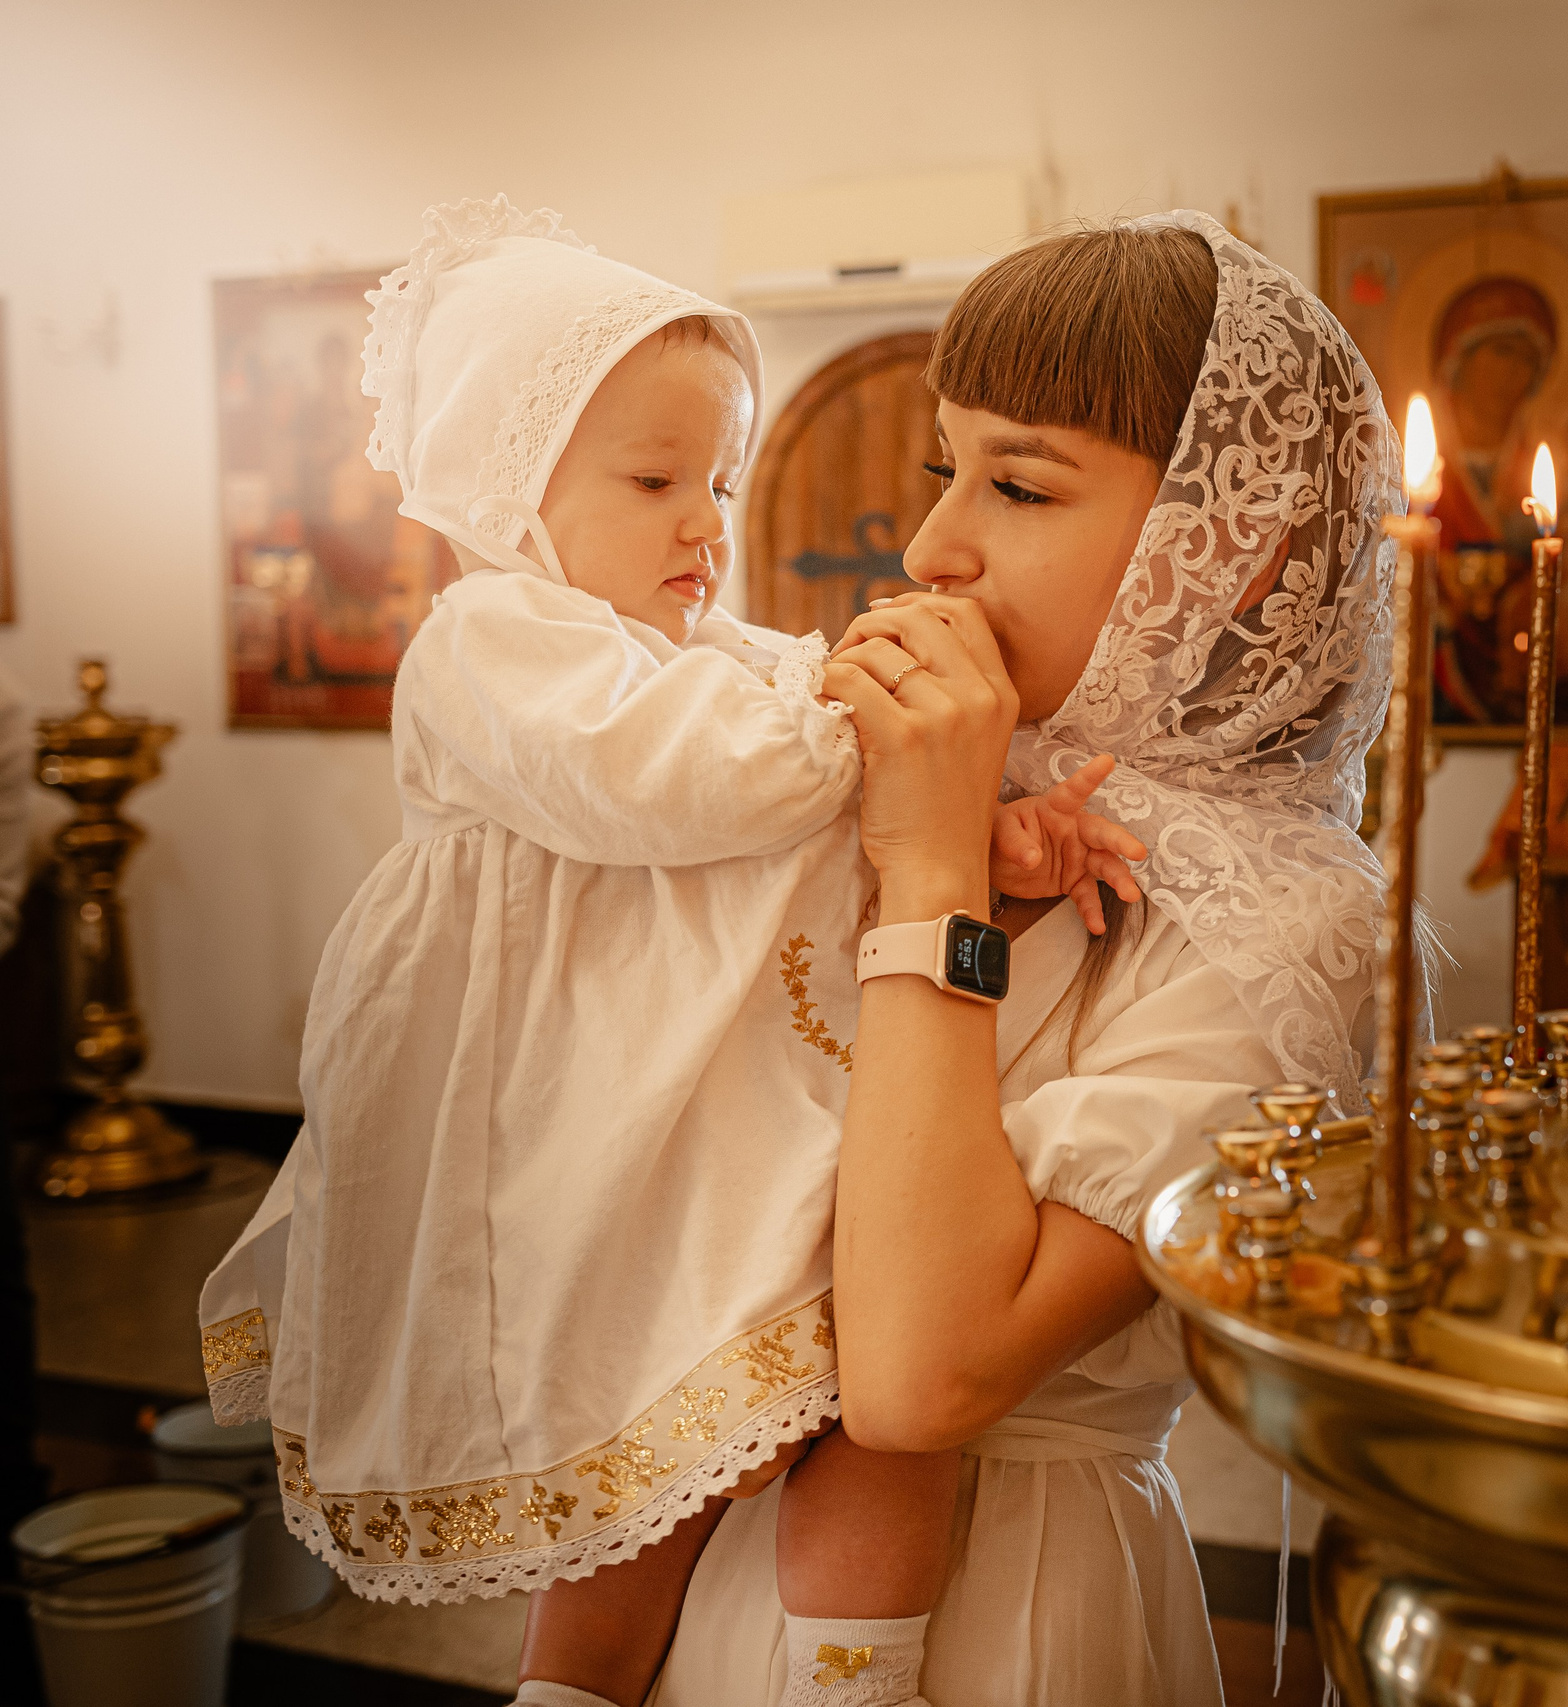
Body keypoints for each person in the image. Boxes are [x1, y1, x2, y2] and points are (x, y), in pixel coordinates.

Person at [192, 198, 1142, 1707]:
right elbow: (694, 778)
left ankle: (845, 1675)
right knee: (616, 1443)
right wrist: (880, 716)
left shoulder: (715, 657)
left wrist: (995, 833)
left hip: (702, 1114)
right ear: (514, 486)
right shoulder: (495, 642)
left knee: (790, 1417)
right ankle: (571, 1692)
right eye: (654, 480)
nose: (708, 523)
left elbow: (861, 823)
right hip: (567, 1124)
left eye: (721, 479)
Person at [649, 209, 1396, 1706]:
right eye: (945, 466)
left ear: (1230, 551)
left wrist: (933, 873)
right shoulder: (956, 774)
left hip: (1018, 1610)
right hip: (726, 1557)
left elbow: (927, 1379)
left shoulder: (1290, 923)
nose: (932, 545)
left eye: (1020, 482)